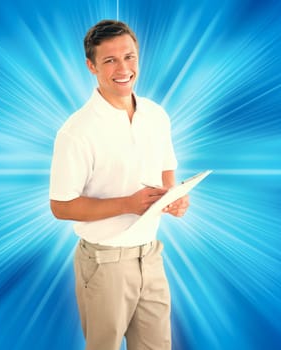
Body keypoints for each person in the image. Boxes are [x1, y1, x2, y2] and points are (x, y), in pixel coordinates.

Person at [49, 19, 189, 350]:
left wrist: (174, 198)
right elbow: (61, 205)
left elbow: (167, 169)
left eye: (129, 57)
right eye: (110, 60)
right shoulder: (77, 132)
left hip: (151, 255)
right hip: (104, 263)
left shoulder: (156, 115)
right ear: (91, 66)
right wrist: (127, 204)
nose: (123, 68)